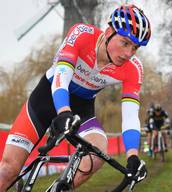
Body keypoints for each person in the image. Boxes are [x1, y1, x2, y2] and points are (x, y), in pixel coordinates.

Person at [0, 4, 151, 191]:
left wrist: (133, 156)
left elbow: (130, 115)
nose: (128, 53)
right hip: (47, 98)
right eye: (125, 43)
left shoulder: (133, 69)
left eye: (135, 48)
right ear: (109, 31)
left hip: (82, 108)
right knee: (7, 171)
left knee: (99, 151)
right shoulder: (82, 34)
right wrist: (63, 112)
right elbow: (61, 77)